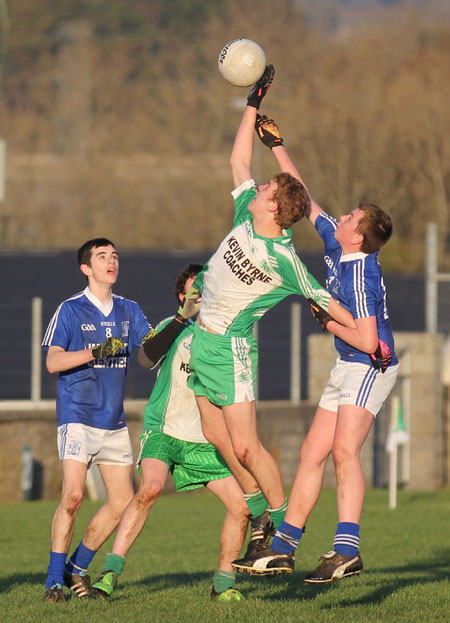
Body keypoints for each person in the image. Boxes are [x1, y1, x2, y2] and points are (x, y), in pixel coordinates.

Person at [187, 66, 355, 569]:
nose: (257, 184)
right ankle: (263, 515)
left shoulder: (283, 258)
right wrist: (253, 101)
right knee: (215, 438)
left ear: (275, 208)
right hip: (201, 339)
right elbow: (238, 156)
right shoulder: (246, 214)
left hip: (232, 350)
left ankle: (280, 526)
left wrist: (365, 335)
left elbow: (324, 299)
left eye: (266, 188)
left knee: (243, 446)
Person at [232, 114, 399, 581]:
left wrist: (327, 321)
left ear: (359, 236)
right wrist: (278, 147)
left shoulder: (361, 272)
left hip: (370, 365)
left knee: (345, 451)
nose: (339, 217)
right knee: (312, 453)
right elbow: (306, 203)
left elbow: (368, 340)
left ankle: (346, 549)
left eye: (349, 218)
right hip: (349, 365)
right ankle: (283, 548)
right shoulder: (336, 242)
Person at [91, 264, 250, 602]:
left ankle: (222, 586)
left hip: (205, 441)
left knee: (241, 507)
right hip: (163, 429)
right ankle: (109, 575)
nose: (201, 295)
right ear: (182, 298)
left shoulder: (228, 335)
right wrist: (181, 318)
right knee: (150, 488)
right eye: (194, 290)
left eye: (206, 288)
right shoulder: (172, 326)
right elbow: (146, 359)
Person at [41, 237, 152, 603]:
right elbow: (53, 362)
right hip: (77, 415)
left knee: (121, 501)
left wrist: (182, 320)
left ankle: (77, 567)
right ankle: (54, 581)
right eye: (102, 257)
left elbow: (149, 354)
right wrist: (96, 351)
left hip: (114, 421)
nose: (111, 262)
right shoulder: (71, 310)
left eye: (115, 256)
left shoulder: (129, 310)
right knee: (73, 496)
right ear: (86, 268)